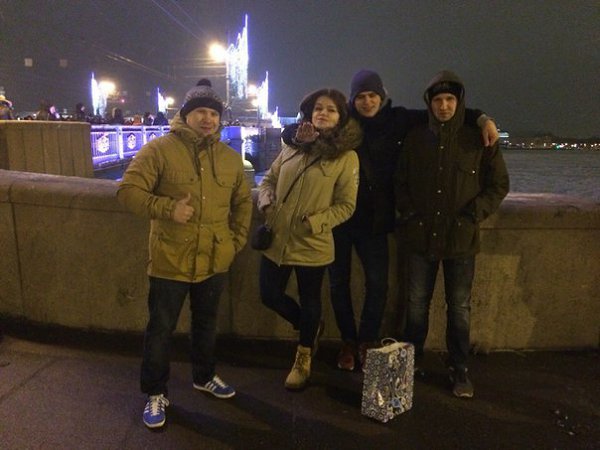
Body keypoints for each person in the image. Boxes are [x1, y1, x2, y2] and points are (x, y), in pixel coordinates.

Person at [283, 70, 499, 372]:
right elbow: (298, 130)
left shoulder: (399, 119)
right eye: (361, 96)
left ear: (382, 96)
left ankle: (367, 340)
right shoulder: (344, 120)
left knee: (378, 285)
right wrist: (292, 135)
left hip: (376, 221)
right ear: (352, 100)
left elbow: (444, 112)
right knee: (338, 284)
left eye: (372, 95)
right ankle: (348, 341)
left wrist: (482, 119)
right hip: (337, 219)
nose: (367, 101)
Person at [117, 79, 253, 428]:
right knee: (160, 329)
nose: (208, 119)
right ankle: (155, 391)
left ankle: (204, 376)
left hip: (215, 258)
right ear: (186, 115)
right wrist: (168, 208)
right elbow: (128, 191)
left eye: (213, 113)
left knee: (206, 323)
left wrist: (234, 243)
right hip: (170, 259)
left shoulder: (229, 158)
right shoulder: (159, 150)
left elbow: (242, 203)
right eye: (200, 112)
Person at [395, 70, 509, 398]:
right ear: (429, 103)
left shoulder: (478, 139)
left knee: (459, 307)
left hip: (461, 240)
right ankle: (410, 363)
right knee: (416, 304)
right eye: (437, 100)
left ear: (459, 103)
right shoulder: (416, 139)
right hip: (421, 237)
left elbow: (498, 184)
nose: (443, 106)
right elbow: (400, 183)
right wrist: (411, 215)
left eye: (449, 100)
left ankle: (459, 368)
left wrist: (472, 216)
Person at [257, 88, 360, 390]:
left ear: (340, 118)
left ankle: (303, 357)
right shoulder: (292, 147)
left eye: (331, 109)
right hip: (277, 237)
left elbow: (346, 205)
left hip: (312, 242)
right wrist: (266, 201)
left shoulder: (346, 157)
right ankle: (309, 326)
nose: (323, 113)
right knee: (269, 294)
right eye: (318, 108)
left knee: (310, 297)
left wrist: (315, 223)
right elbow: (269, 179)